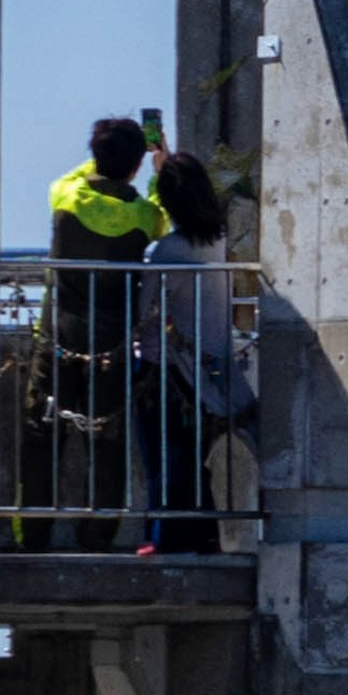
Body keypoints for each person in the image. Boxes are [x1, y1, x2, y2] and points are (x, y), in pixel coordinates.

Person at [42, 115, 166, 536]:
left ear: (95, 157)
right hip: (111, 343)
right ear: (134, 165)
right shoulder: (143, 217)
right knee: (106, 441)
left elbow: (72, 177)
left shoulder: (65, 199)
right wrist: (158, 167)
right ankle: (98, 534)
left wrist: (99, 162)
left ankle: (33, 532)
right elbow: (161, 213)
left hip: (58, 336)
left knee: (42, 435)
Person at [134, 145, 254, 551]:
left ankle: (165, 537)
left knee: (164, 457)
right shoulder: (215, 240)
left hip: (168, 366)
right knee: (194, 456)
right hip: (208, 368)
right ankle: (202, 535)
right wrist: (166, 163)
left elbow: (144, 309)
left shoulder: (169, 250)